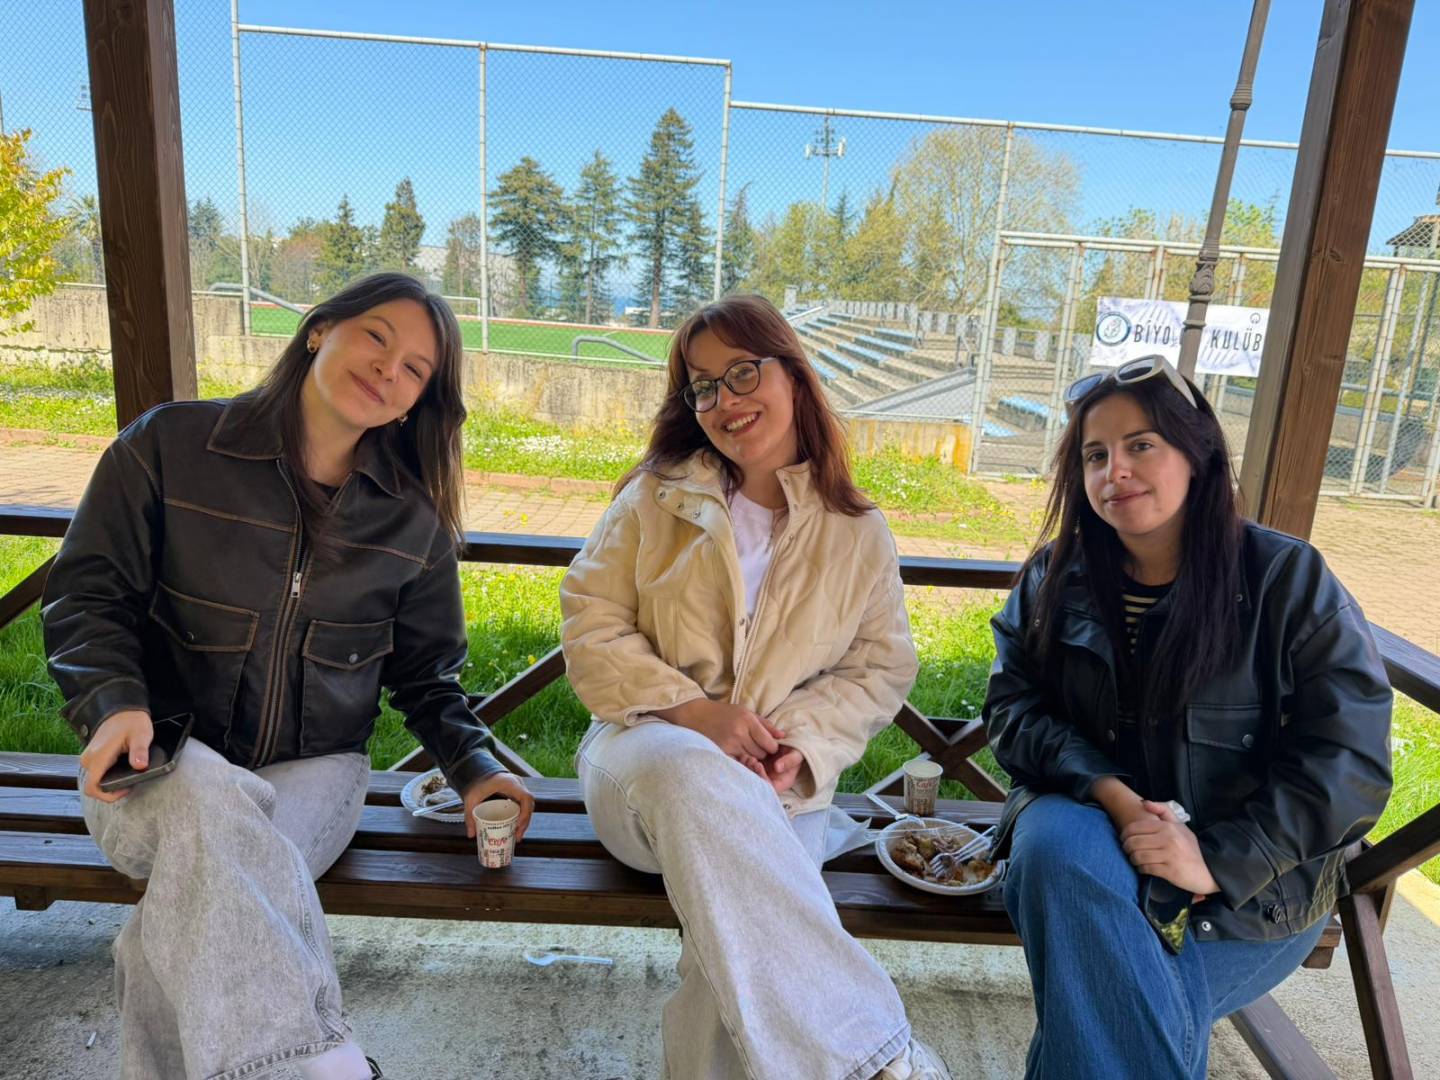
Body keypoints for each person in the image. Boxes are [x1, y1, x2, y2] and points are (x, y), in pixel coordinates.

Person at [42, 272, 535, 1080]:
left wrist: (476, 769)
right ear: (319, 330)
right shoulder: (170, 446)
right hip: (156, 761)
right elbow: (88, 593)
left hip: (317, 772)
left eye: (415, 369)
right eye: (376, 337)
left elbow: (426, 678)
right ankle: (324, 1064)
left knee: (190, 910)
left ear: (418, 402)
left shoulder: (411, 521)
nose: (388, 369)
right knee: (209, 808)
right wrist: (114, 703)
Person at [560, 294, 950, 1080]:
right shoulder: (653, 500)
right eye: (703, 386)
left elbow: (879, 666)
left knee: (737, 950)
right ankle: (879, 1059)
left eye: (742, 372)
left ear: (794, 373)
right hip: (643, 763)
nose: (724, 401)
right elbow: (590, 626)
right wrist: (696, 714)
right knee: (691, 774)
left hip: (779, 789)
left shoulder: (858, 531)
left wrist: (799, 745)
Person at [982, 354, 1393, 1079]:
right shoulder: (1054, 578)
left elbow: (1351, 761)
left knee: (1106, 1017)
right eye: (1095, 455)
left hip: (1247, 894)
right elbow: (1012, 710)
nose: (1116, 471)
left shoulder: (1286, 579)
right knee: (1054, 842)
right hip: (1086, 846)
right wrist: (1112, 794)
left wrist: (1218, 857)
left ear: (1196, 454)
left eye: (1141, 445)